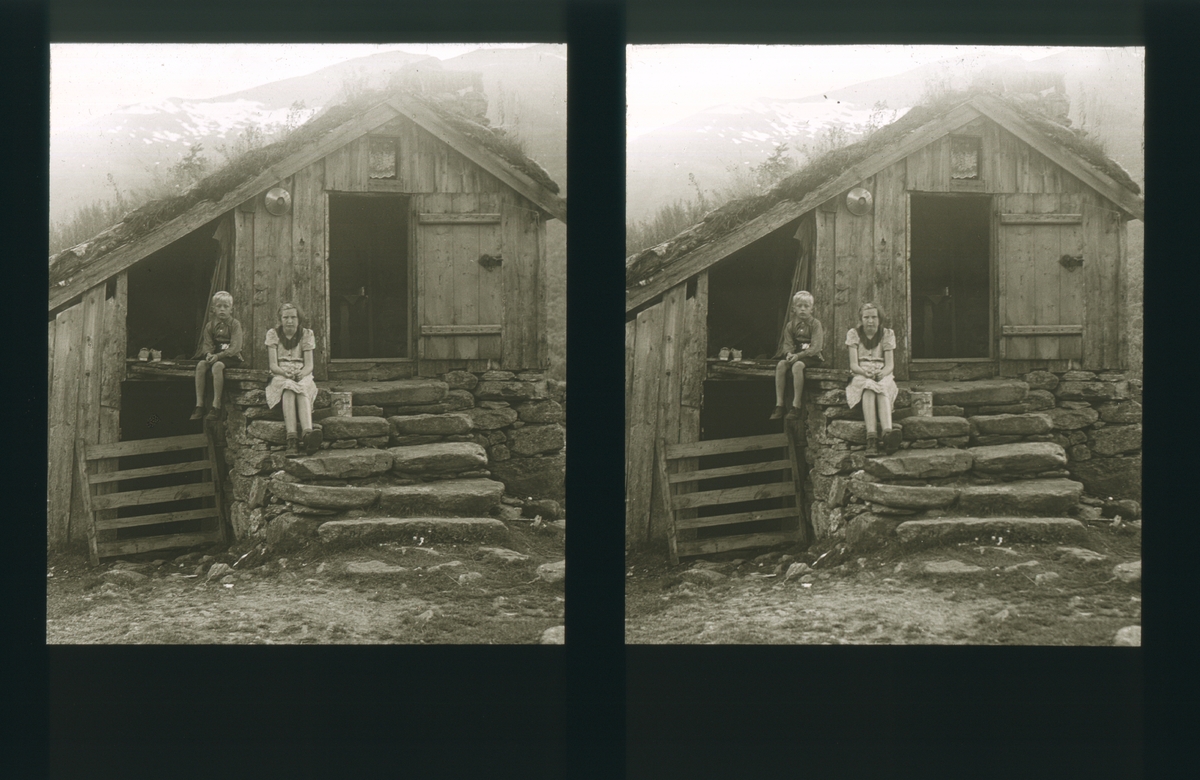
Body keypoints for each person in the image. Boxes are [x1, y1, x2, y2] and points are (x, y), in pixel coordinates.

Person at [265, 303, 321, 455]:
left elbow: (309, 365)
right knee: (288, 389)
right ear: (280, 319)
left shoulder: (307, 334)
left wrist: (302, 374)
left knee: (302, 388)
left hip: (301, 372)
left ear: (299, 319)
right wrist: (285, 373)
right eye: (286, 317)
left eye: (293, 317)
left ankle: (308, 435)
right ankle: (292, 440)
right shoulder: (273, 334)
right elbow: (273, 365)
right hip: (281, 374)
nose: (289, 321)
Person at [846, 302, 900, 455]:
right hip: (861, 374)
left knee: (882, 388)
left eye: (874, 317)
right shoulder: (854, 334)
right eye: (866, 317)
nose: (870, 321)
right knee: (868, 388)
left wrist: (882, 373)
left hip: (882, 372)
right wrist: (865, 373)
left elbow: (890, 365)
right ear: (861, 319)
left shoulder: (887, 334)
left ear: (879, 319)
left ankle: (888, 434)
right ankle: (872, 439)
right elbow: (853, 365)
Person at [770, 290, 825, 421]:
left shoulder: (815, 324)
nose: (803, 309)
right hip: (795, 355)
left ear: (812, 309)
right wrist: (789, 353)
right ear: (794, 309)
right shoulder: (790, 326)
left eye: (806, 306)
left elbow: (816, 347)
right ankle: (779, 405)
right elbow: (787, 343)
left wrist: (798, 356)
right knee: (781, 365)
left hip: (811, 356)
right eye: (799, 306)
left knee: (797, 366)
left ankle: (796, 405)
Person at [191, 291, 244, 421]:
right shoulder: (210, 326)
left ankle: (216, 406)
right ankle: (199, 405)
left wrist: (218, 357)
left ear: (231, 309)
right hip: (215, 355)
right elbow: (207, 344)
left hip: (231, 356)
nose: (222, 309)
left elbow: (235, 347)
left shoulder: (235, 324)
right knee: (201, 365)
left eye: (226, 306)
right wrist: (208, 354)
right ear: (213, 309)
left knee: (217, 367)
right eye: (219, 306)